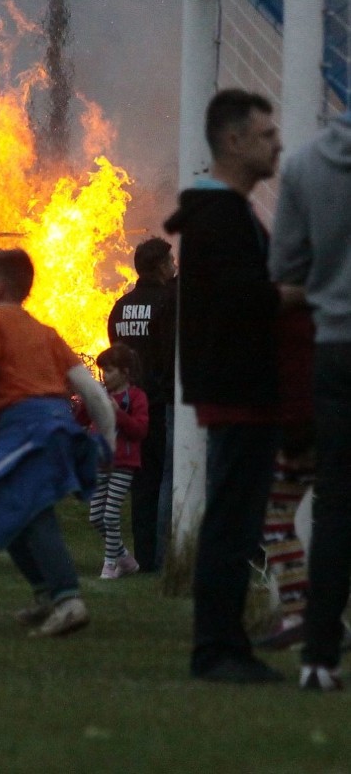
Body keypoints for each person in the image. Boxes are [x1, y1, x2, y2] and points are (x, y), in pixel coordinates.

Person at [164, 87, 286, 684]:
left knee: (238, 521)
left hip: (240, 387)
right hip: (239, 388)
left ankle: (228, 643)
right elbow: (244, 300)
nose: (277, 144)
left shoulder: (222, 215)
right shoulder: (222, 218)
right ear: (234, 141)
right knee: (232, 524)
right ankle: (216, 650)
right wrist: (296, 291)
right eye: (266, 134)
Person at [0, 249, 115, 638]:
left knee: (29, 511)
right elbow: (93, 391)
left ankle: (68, 600)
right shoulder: (45, 331)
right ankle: (47, 595)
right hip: (57, 425)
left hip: (29, 428)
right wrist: (108, 439)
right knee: (10, 505)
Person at [268, 106, 351, 691]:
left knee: (334, 508)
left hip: (336, 348)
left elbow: (285, 268)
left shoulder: (303, 167)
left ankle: (319, 657)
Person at [107, 237, 176, 571]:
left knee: (142, 483)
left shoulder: (120, 307)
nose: (174, 266)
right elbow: (169, 354)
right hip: (160, 405)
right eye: (171, 261)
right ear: (161, 266)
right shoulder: (168, 302)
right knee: (167, 478)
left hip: (129, 406)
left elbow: (114, 354)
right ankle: (164, 557)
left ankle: (145, 555)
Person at [81, 343, 148, 579]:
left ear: (125, 372)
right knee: (96, 515)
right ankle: (125, 559)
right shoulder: (102, 395)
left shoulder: (137, 397)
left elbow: (140, 430)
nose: (104, 376)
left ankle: (110, 564)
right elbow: (82, 417)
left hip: (123, 463)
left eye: (109, 370)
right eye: (102, 371)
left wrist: (118, 413)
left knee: (110, 514)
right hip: (100, 461)